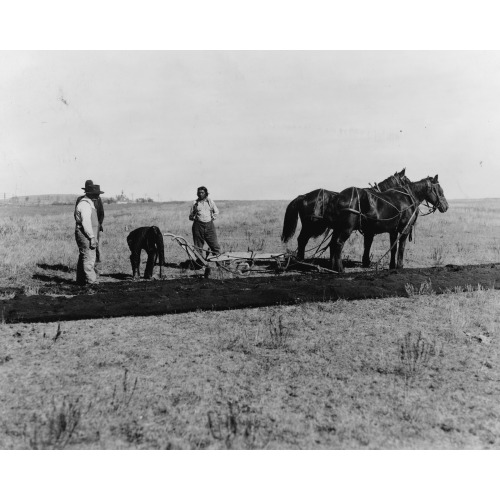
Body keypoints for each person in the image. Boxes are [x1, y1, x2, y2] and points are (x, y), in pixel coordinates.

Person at [74, 182, 104, 285]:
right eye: (96, 194)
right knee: (89, 257)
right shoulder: (85, 205)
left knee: (84, 256)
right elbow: (86, 222)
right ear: (91, 194)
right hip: (86, 233)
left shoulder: (88, 203)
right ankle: (92, 282)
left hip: (87, 232)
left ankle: (81, 281)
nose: (98, 196)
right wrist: (91, 237)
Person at [189, 186, 221, 259]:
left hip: (209, 225)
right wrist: (194, 217)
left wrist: (211, 219)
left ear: (206, 193)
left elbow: (216, 212)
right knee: (198, 247)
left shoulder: (210, 201)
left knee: (215, 246)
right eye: (199, 193)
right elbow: (191, 216)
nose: (200, 194)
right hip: (198, 226)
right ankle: (199, 265)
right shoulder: (195, 203)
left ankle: (220, 264)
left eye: (202, 193)